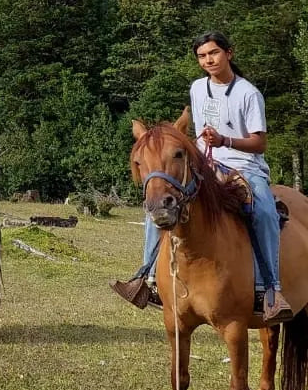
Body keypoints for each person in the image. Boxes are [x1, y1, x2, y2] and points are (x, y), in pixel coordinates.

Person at [111, 32, 292, 323]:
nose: (208, 60)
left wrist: (224, 141)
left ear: (229, 53)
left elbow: (260, 143)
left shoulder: (248, 93)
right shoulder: (198, 88)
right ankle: (147, 279)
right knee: (158, 203)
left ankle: (269, 289)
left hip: (245, 166)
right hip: (206, 164)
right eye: (202, 56)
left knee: (264, 212)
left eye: (214, 53)